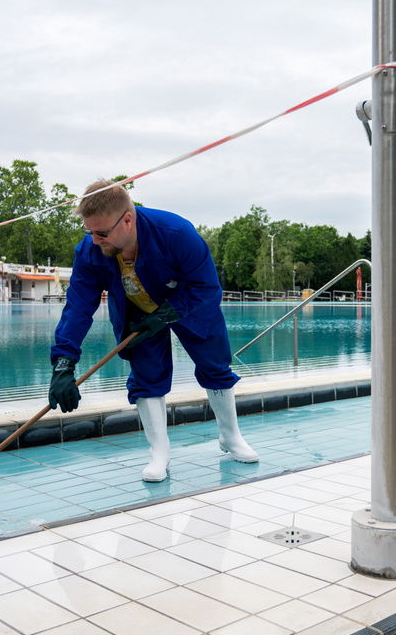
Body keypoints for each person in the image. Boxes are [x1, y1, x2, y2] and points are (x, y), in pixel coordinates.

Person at [48, 179, 258, 482]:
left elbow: (208, 287)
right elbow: (78, 307)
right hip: (137, 312)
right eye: (89, 231)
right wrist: (64, 364)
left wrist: (166, 314)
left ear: (128, 220)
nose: (94, 240)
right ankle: (160, 452)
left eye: (102, 233)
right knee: (147, 376)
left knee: (215, 365)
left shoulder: (176, 233)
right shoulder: (90, 251)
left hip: (191, 304)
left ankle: (231, 437)